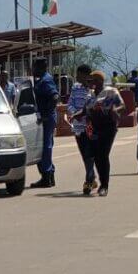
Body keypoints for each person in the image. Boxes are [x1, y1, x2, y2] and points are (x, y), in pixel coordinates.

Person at [85, 71, 124, 196]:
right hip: (95, 127)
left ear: (100, 81)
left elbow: (123, 106)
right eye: (90, 81)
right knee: (96, 156)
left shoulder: (111, 92)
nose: (91, 83)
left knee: (103, 154)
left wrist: (115, 110)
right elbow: (86, 111)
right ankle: (101, 182)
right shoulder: (90, 95)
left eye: (93, 80)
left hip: (108, 126)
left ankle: (104, 185)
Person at [65, 63, 95, 194]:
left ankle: (88, 180)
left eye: (79, 74)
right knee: (84, 154)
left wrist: (83, 115)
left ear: (87, 75)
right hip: (77, 127)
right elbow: (70, 103)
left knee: (90, 154)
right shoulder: (75, 88)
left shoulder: (94, 90)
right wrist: (74, 113)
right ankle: (92, 178)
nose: (77, 76)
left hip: (90, 127)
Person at [29, 59, 60, 189]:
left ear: (40, 67)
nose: (32, 69)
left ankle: (46, 175)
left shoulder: (45, 80)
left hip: (46, 118)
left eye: (34, 67)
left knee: (45, 147)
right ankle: (49, 176)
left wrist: (46, 115)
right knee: (46, 145)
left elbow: (55, 97)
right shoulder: (41, 79)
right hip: (46, 117)